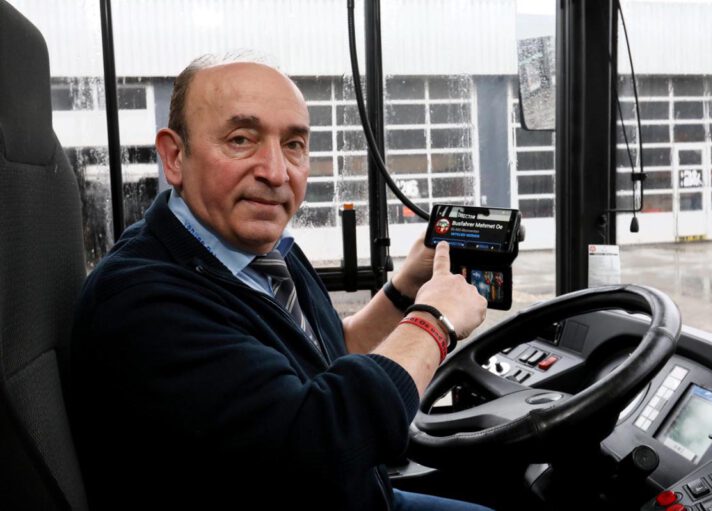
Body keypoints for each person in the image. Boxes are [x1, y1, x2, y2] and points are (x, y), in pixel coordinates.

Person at [68, 54, 489, 510]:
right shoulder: (141, 301)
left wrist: (405, 288)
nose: (275, 171)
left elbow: (328, 355)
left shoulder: (265, 249)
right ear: (174, 156)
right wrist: (434, 320)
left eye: (293, 144)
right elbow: (318, 440)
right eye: (241, 139)